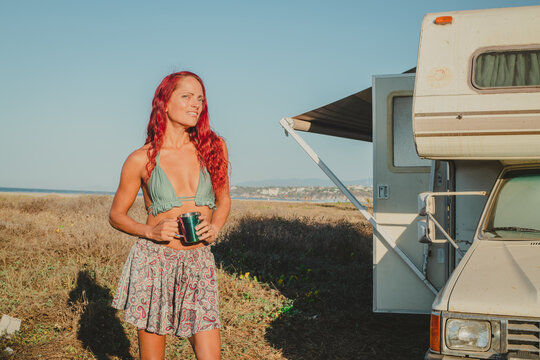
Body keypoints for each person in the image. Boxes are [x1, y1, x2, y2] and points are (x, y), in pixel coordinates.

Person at [109, 71, 230, 360]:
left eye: (200, 98)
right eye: (186, 96)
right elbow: (116, 215)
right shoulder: (140, 159)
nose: (195, 104)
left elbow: (224, 199)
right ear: (165, 103)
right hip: (154, 263)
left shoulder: (213, 148)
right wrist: (150, 232)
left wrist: (215, 226)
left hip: (199, 262)